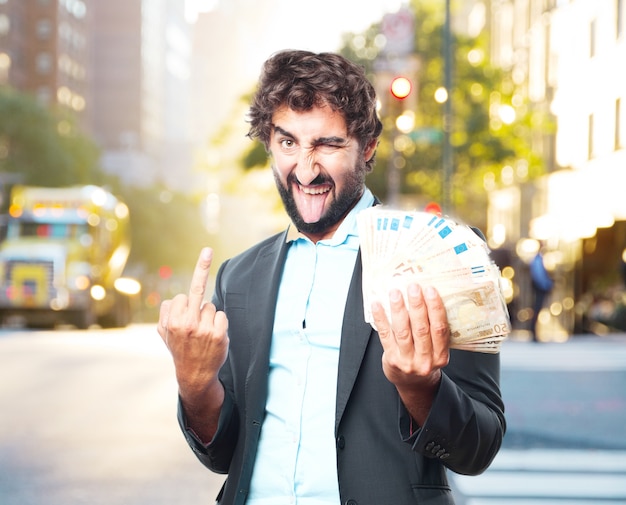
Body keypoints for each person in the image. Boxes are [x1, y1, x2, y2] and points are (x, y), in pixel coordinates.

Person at [158, 50, 505, 505]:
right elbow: (222, 453)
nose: (305, 169)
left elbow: (477, 448)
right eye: (288, 143)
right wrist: (194, 382)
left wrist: (423, 388)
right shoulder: (239, 276)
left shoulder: (442, 254)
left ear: (368, 146)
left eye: (327, 144)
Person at [529, 247, 554, 342]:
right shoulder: (538, 260)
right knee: (536, 309)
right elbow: (539, 275)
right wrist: (547, 285)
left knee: (537, 309)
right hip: (540, 288)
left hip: (540, 287)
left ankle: (534, 332)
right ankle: (533, 332)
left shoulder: (539, 259)